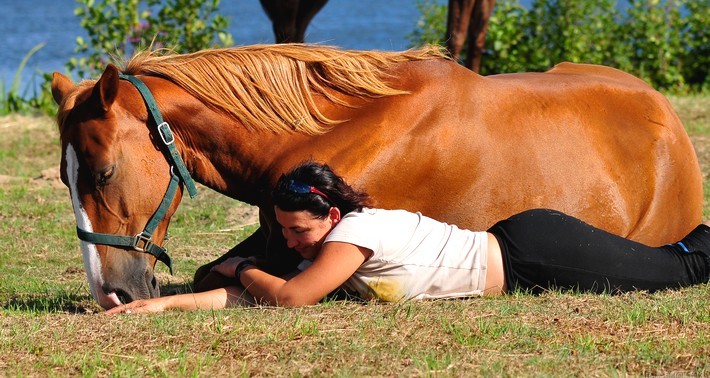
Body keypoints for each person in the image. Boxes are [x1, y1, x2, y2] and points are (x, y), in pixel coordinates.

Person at [106, 161, 710, 314]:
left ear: (331, 219)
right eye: (284, 232)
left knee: (680, 268)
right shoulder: (331, 247)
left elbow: (287, 299)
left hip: (535, 254)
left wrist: (238, 267)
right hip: (522, 249)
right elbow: (254, 301)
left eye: (297, 231)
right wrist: (155, 305)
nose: (288, 243)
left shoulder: (353, 238)